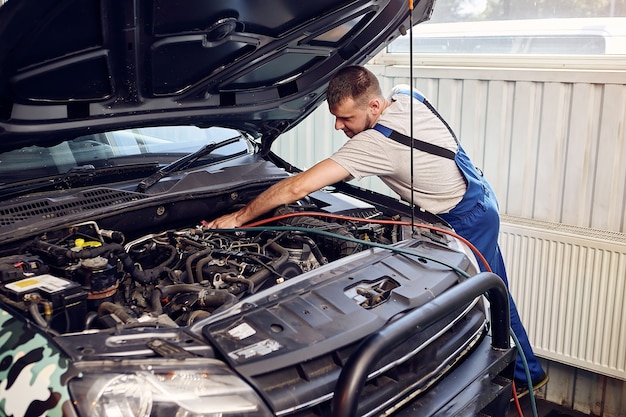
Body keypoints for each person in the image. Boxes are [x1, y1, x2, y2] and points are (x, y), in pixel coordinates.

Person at [206, 65, 548, 396]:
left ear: (373, 106)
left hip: (465, 218)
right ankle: (528, 373)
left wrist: (239, 218)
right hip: (480, 197)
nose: (339, 127)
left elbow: (298, 188)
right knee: (493, 287)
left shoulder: (378, 144)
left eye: (346, 118)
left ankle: (506, 380)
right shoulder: (405, 95)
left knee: (470, 298)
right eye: (335, 117)